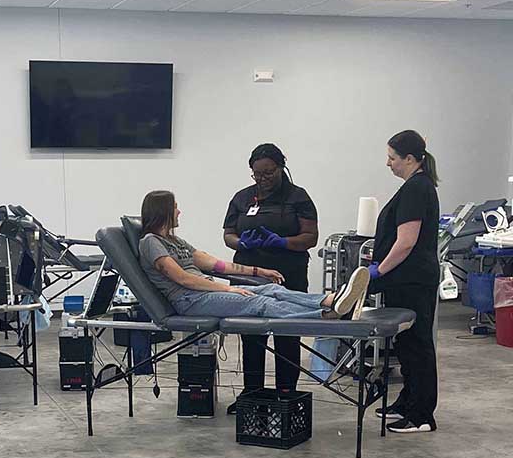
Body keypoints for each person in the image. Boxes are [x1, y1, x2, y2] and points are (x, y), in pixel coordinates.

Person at [140, 190, 368, 324]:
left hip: (204, 293)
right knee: (259, 302)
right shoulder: (151, 242)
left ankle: (331, 300)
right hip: (189, 300)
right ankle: (326, 315)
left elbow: (217, 265)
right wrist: (227, 289)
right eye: (175, 208)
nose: (179, 212)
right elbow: (183, 279)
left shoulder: (176, 241)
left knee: (272, 289)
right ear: (163, 211)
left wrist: (259, 271)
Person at [222, 144, 318, 411]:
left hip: (288, 275)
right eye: (257, 174)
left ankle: (286, 394)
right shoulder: (242, 198)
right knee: (251, 336)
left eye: (269, 173)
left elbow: (311, 237)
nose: (263, 179)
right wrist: (241, 243)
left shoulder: (298, 197)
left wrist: (283, 242)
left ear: (281, 167)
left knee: (287, 335)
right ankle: (252, 394)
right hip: (248, 276)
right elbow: (228, 234)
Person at [370, 130, 440, 433]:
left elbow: (406, 242)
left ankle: (421, 415)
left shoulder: (416, 189)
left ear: (409, 159)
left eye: (392, 158)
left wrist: (379, 271)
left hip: (413, 280)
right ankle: (408, 400)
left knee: (417, 343)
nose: (388, 163)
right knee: (406, 343)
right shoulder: (415, 186)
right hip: (405, 280)